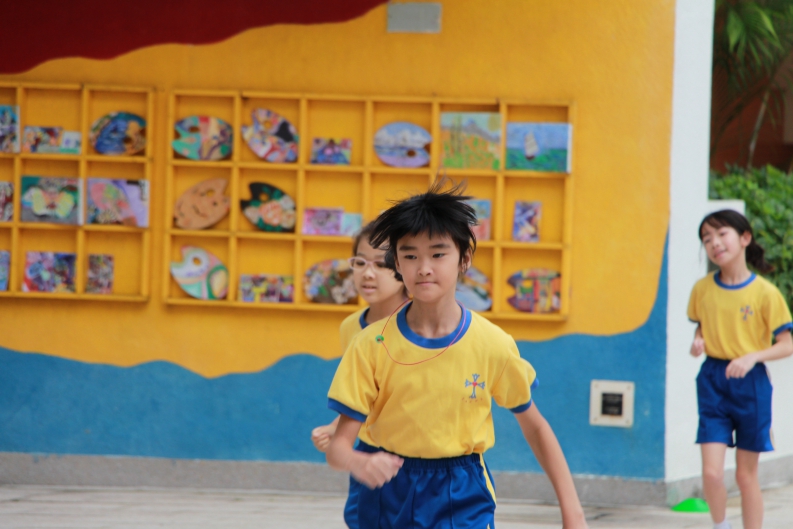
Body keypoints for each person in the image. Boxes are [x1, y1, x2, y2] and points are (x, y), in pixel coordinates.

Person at [325, 179, 588, 529]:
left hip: (461, 490)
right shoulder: (370, 344)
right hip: (387, 491)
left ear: (464, 259)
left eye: (438, 254)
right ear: (397, 263)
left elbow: (536, 427)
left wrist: (573, 513)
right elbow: (338, 448)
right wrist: (358, 462)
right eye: (410, 255)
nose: (424, 267)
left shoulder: (492, 343)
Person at [688, 210, 793, 529]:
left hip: (751, 385)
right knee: (711, 473)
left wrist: (753, 357)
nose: (714, 243)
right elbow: (701, 325)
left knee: (746, 476)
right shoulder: (702, 289)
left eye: (722, 234)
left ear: (745, 238)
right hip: (712, 381)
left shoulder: (766, 293)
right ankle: (721, 526)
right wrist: (698, 340)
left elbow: (786, 344)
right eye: (707, 239)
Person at [311, 221, 409, 528]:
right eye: (360, 262)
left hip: (415, 457)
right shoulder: (351, 327)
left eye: (381, 264)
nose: (368, 273)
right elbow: (362, 396)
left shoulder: (420, 325)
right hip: (368, 453)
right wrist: (335, 428)